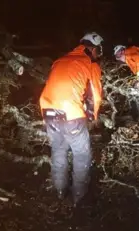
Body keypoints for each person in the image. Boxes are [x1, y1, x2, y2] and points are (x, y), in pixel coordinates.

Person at [39, 32, 104, 206]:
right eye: (99, 50)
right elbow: (96, 95)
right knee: (81, 155)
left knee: (58, 151)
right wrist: (93, 116)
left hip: (48, 111)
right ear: (93, 48)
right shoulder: (90, 63)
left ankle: (60, 191)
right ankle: (79, 196)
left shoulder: (60, 60)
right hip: (71, 115)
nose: (99, 53)